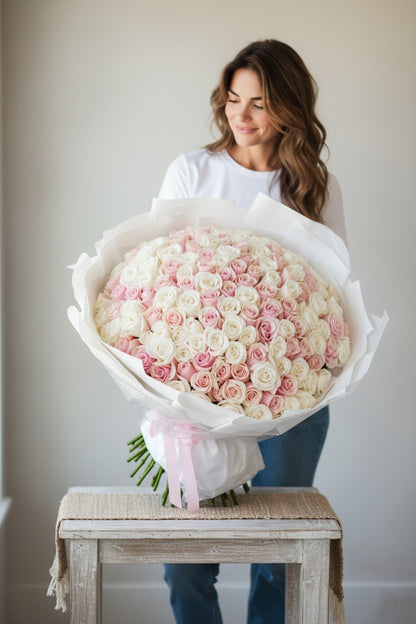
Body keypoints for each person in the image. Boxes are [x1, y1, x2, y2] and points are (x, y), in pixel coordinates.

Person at [158, 39, 347, 624]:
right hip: (197, 397)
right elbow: (161, 275)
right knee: (185, 559)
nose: (240, 116)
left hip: (290, 402)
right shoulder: (194, 170)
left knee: (276, 557)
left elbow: (333, 296)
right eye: (234, 99)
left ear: (288, 107)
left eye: (259, 103)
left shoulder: (315, 187)